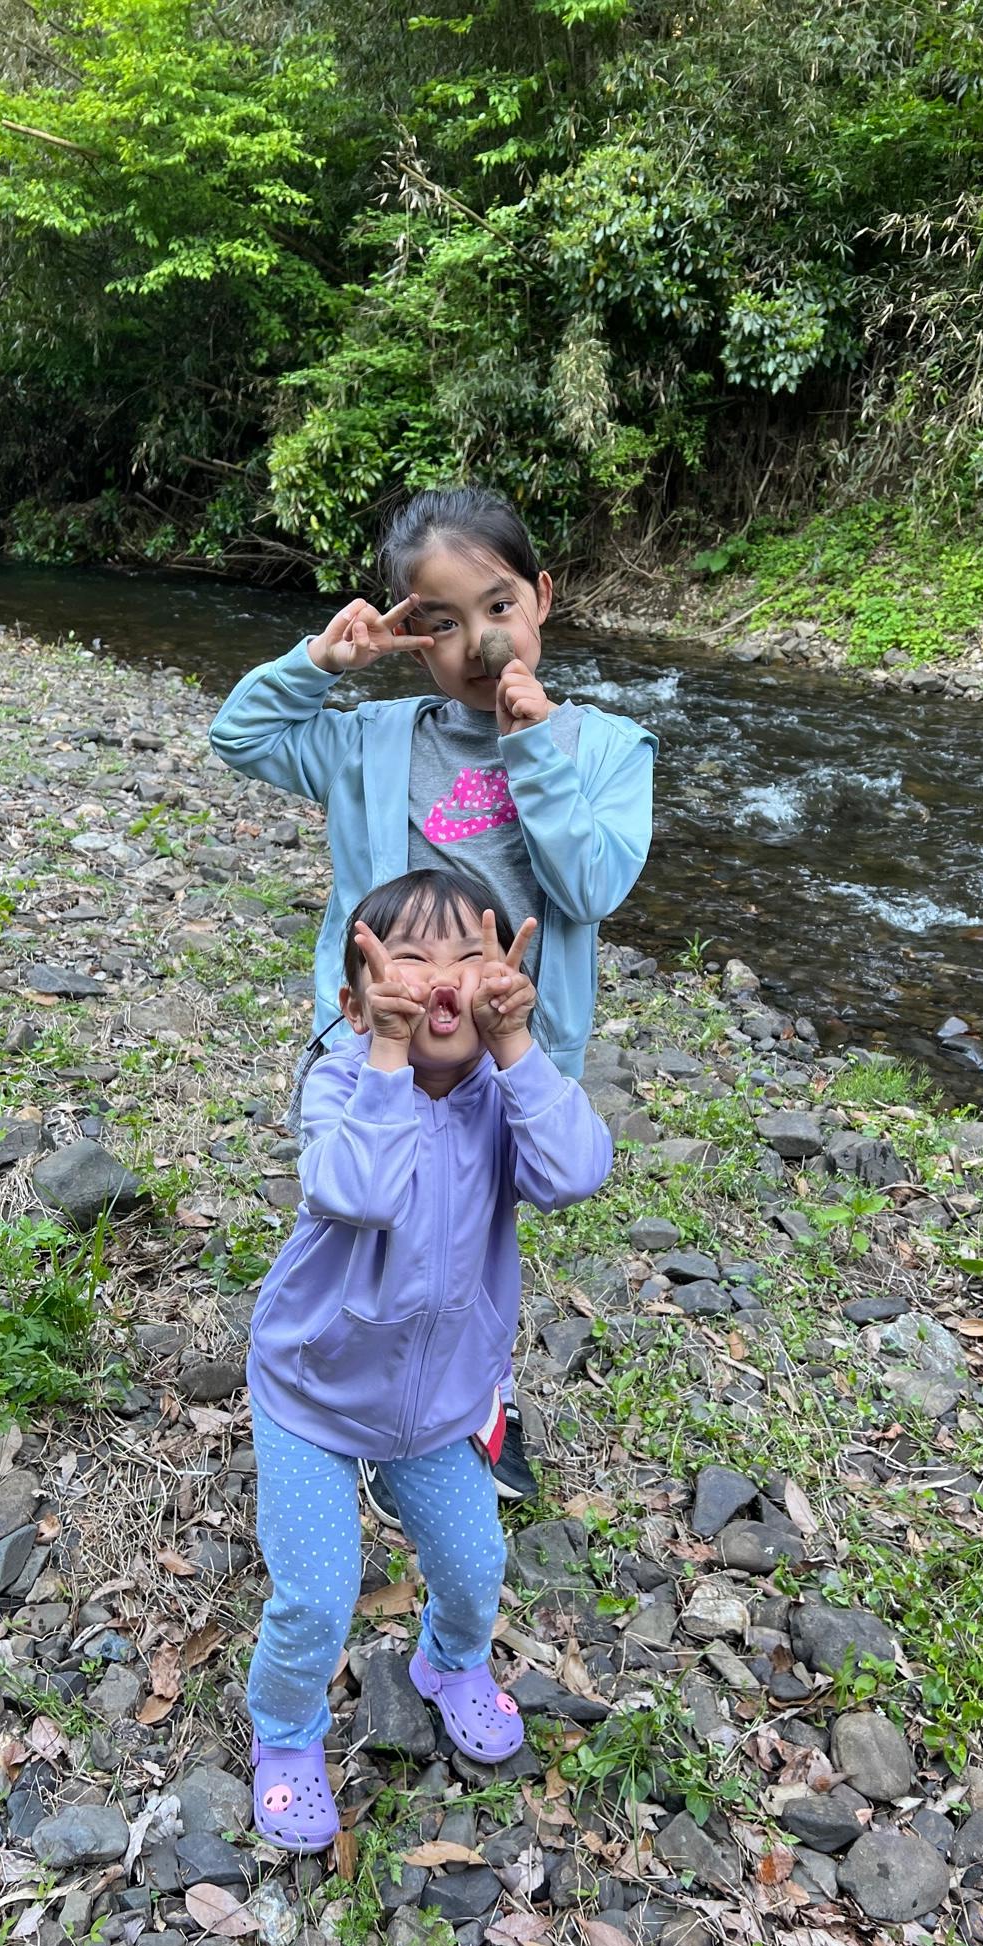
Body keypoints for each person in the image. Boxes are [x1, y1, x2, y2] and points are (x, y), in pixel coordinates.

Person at [210, 487, 655, 1521]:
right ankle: (349, 1394)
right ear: (412, 637)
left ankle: (474, 1395)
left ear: (543, 598)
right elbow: (240, 737)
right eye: (444, 623)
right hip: (379, 1042)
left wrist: (531, 746)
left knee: (473, 1235)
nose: (481, 643)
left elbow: (591, 887)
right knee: (365, 1218)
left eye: (499, 607)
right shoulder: (373, 741)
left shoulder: (605, 749)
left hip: (506, 1050)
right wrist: (321, 665)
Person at [245, 867, 612, 1851]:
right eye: (409, 958)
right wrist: (386, 1056)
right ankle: (286, 1734)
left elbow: (577, 1173)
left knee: (472, 1562)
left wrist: (519, 1047)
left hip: (441, 1397)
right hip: (314, 1390)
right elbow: (357, 1192)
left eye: (470, 957)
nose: (442, 978)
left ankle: (448, 1664)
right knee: (317, 1597)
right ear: (354, 1001)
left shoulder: (505, 1096)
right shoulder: (341, 1084)